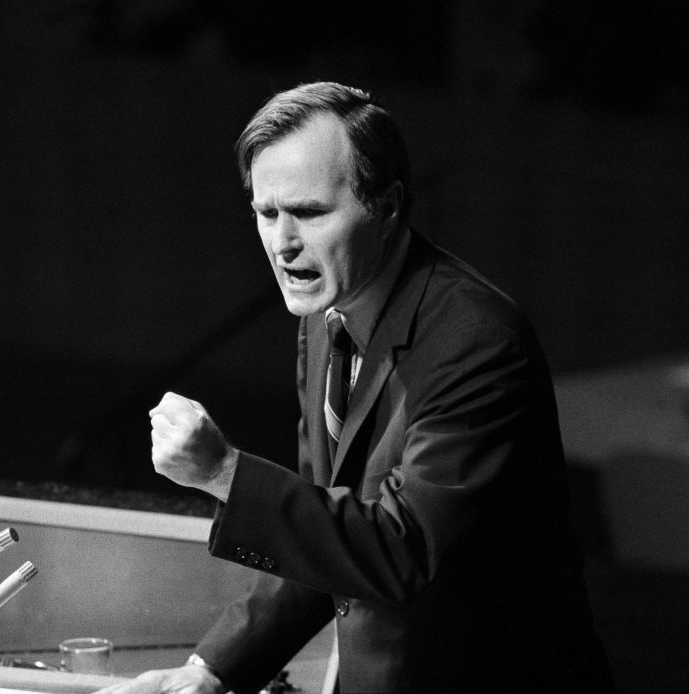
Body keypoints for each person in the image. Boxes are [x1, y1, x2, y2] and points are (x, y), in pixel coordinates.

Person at [97, 81, 613, 693]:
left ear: (388, 205)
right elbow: (322, 524)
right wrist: (209, 672)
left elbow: (403, 550)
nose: (283, 244)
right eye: (267, 213)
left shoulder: (477, 340)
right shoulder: (325, 315)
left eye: (310, 213)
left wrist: (224, 473)